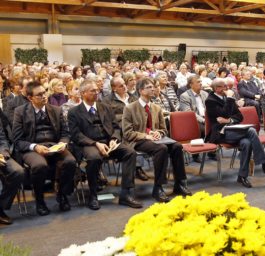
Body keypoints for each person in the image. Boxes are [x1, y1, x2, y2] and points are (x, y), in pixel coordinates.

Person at [68, 79, 141, 210]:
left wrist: (114, 138)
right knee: (94, 158)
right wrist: (95, 143)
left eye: (97, 90)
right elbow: (76, 135)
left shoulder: (105, 107)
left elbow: (116, 127)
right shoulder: (74, 112)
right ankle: (93, 194)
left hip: (108, 142)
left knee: (130, 152)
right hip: (89, 144)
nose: (97, 92)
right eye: (93, 91)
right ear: (83, 93)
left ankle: (126, 193)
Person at [12, 81, 76, 216]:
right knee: (39, 165)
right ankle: (40, 201)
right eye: (39, 95)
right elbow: (17, 141)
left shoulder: (56, 110)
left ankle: (62, 194)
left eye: (45, 92)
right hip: (32, 148)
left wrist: (63, 143)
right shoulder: (20, 112)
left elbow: (65, 133)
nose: (44, 96)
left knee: (70, 161)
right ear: (30, 98)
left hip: (54, 145)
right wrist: (35, 147)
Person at [205, 78, 265, 188]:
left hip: (234, 130)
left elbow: (239, 116)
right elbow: (225, 112)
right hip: (221, 133)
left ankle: (242, 176)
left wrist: (229, 120)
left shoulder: (228, 99)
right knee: (251, 130)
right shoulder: (210, 100)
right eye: (224, 86)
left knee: (246, 143)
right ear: (217, 88)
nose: (227, 88)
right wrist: (229, 99)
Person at [122, 78, 191, 202]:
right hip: (138, 140)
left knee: (176, 146)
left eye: (153, 87)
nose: (153, 89)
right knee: (161, 149)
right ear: (141, 90)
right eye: (149, 87)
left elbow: (163, 129)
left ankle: (180, 183)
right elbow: (127, 133)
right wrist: (146, 136)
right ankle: (158, 187)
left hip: (156, 140)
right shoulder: (130, 108)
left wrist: (159, 133)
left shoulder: (156, 108)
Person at [0, 113, 23, 225]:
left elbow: (2, 139)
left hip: (0, 156)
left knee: (17, 171)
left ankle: (0, 208)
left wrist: (3, 153)